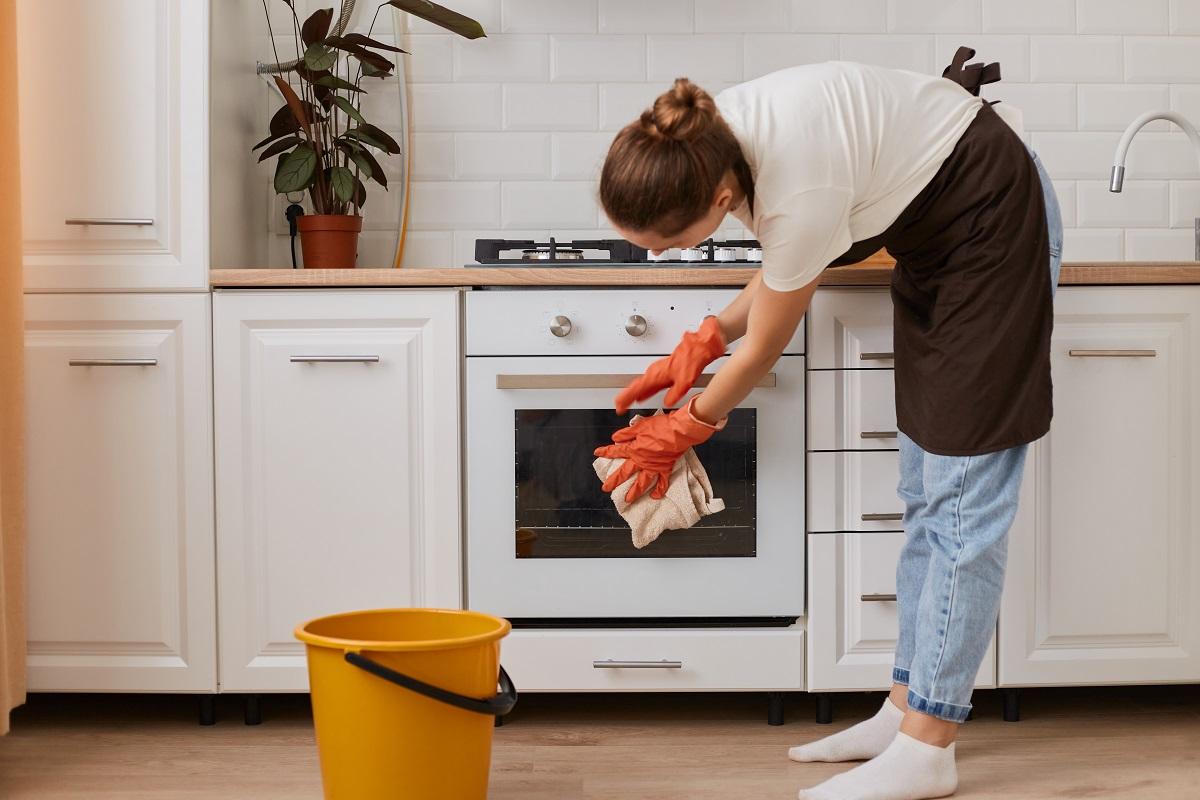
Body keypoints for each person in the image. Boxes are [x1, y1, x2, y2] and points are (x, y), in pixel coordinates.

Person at [593, 50, 1063, 800]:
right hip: (937, 242)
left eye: (669, 242)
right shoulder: (713, 139)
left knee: (963, 504)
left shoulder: (790, 178)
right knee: (927, 496)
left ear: (716, 197)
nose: (656, 256)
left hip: (992, 225)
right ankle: (905, 709)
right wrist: (706, 336)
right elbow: (782, 269)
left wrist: (687, 423)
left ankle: (929, 747)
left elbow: (765, 349)